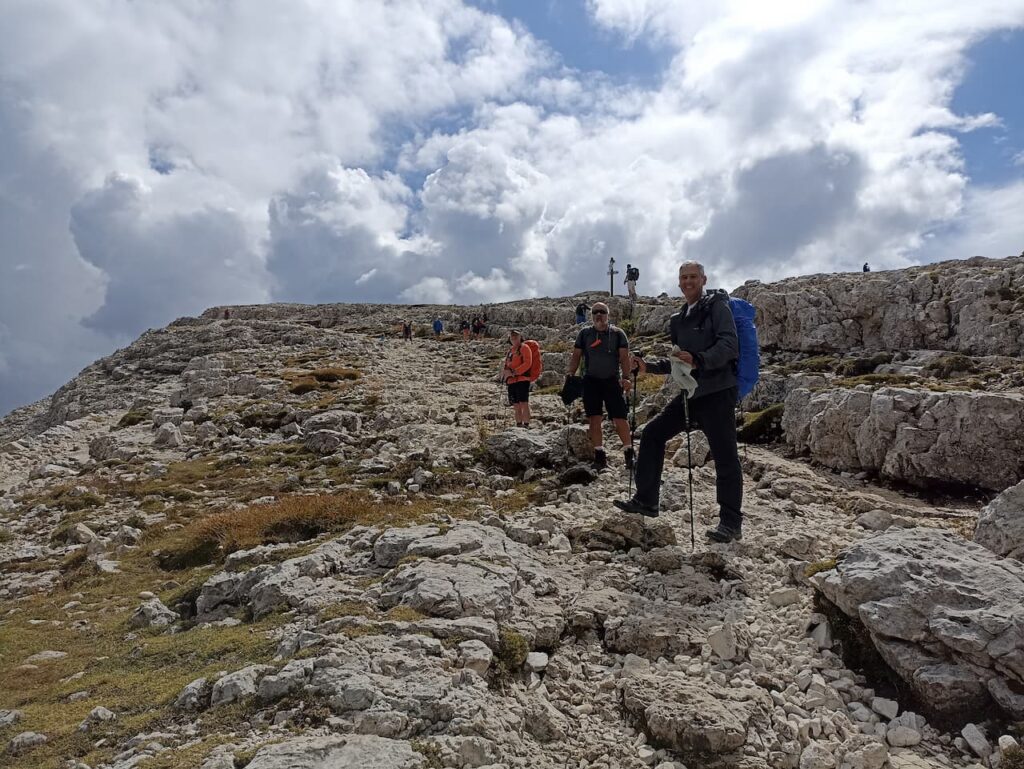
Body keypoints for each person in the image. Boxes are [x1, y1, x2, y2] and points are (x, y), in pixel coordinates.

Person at [614, 261, 743, 542]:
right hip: (691, 393)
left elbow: (729, 346)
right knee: (652, 434)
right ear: (678, 281)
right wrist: (647, 366)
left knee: (725, 456)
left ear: (703, 279)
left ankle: (731, 523)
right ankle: (647, 500)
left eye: (693, 277)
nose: (688, 281)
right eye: (684, 277)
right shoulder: (678, 319)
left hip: (719, 392)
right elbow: (677, 362)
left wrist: (699, 360)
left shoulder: (716, 307)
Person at [565, 302, 634, 470]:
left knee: (620, 418)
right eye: (595, 312)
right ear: (591, 315)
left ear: (607, 315)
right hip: (591, 381)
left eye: (602, 312)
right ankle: (599, 456)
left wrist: (626, 378)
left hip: (612, 381)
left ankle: (629, 454)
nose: (598, 315)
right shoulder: (584, 334)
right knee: (594, 418)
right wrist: (570, 374)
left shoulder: (618, 334)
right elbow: (576, 355)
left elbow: (624, 358)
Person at [502, 330, 533, 428]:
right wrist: (506, 374)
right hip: (511, 381)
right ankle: (519, 424)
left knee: (523, 402)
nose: (513, 338)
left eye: (516, 336)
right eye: (512, 336)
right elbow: (506, 364)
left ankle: (526, 424)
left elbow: (528, 363)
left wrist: (515, 372)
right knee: (515, 404)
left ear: (520, 337)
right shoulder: (510, 351)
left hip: (522, 379)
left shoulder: (524, 348)